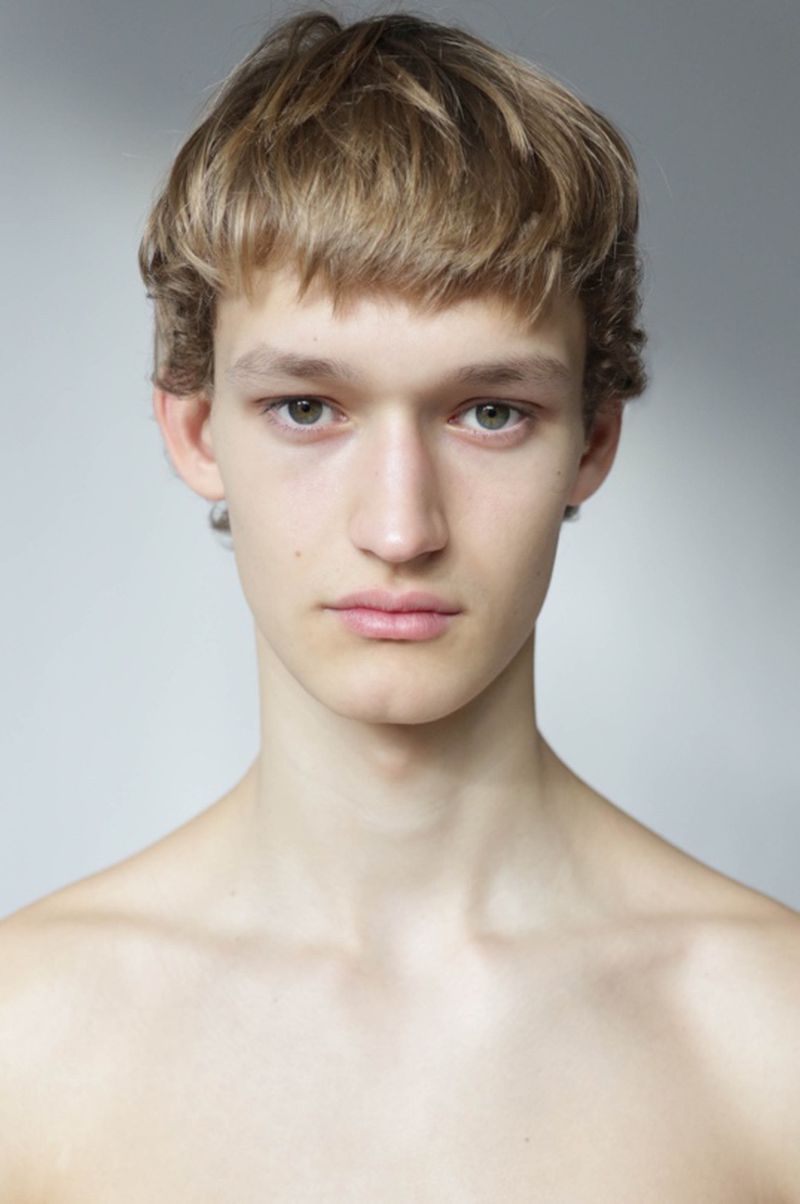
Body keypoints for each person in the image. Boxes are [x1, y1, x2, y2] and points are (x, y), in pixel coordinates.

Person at [1, 10, 797, 1200]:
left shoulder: (769, 1036)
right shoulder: (25, 1042)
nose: (399, 525)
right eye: (306, 408)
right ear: (194, 428)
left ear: (592, 441)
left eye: (489, 412)